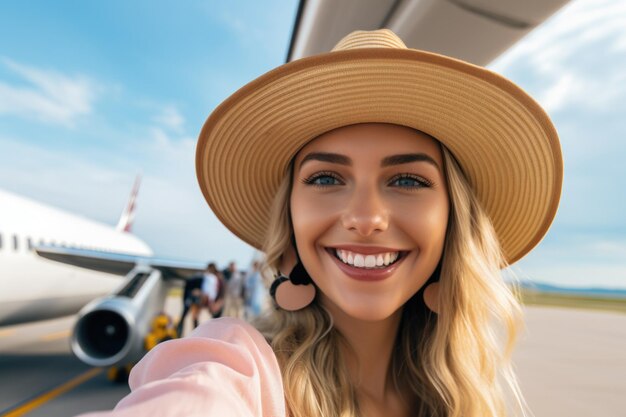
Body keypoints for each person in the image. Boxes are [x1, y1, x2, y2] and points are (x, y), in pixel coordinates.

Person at [78, 29, 562, 417]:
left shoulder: (461, 394)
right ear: (289, 225)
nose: (366, 218)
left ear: (452, 224)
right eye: (327, 177)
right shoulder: (238, 370)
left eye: (409, 181)